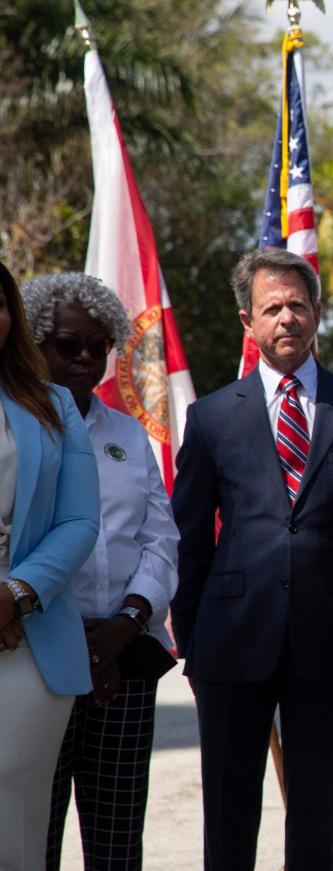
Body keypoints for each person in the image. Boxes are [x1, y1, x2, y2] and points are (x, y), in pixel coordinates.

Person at [170, 249, 333, 871]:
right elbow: (189, 534)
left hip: (332, 641)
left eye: (298, 305)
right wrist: (191, 635)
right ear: (248, 321)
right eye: (272, 307)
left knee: (316, 813)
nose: (287, 317)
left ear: (317, 312)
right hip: (230, 640)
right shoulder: (211, 417)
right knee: (229, 810)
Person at [22, 273, 180, 870]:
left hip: (123, 658)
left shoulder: (128, 436)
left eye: (99, 346)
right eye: (68, 345)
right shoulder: (16, 431)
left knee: (117, 838)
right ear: (36, 344)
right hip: (36, 658)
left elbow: (160, 540)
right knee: (32, 833)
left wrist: (129, 622)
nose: (86, 358)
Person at [0, 262, 101, 871]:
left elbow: (79, 521)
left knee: (16, 805)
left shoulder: (51, 403)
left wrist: (15, 594)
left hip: (29, 637)